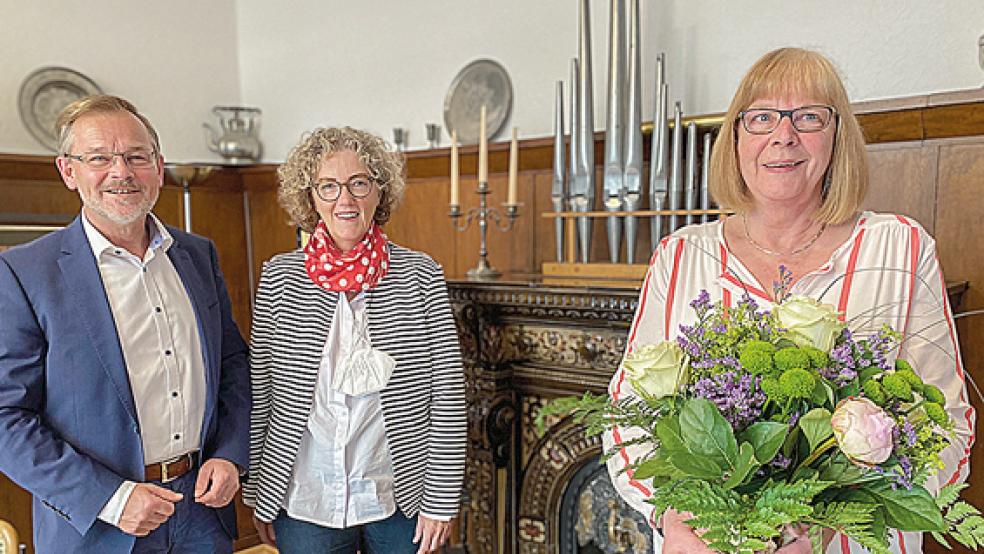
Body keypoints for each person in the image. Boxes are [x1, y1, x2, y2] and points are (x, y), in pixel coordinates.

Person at [604, 48, 975, 554]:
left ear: (837, 136)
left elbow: (948, 425)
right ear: (736, 137)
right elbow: (626, 416)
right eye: (761, 117)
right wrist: (669, 516)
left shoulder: (899, 248)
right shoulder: (680, 254)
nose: (783, 135)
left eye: (808, 117)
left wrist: (833, 521)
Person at [0, 95, 250, 553]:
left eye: (136, 156)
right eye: (99, 158)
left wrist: (231, 454)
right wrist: (110, 500)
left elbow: (232, 365)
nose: (121, 172)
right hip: (99, 526)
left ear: (159, 167)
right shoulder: (23, 273)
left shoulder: (198, 255)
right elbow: (6, 418)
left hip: (202, 511)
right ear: (68, 171)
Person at [244, 126, 467, 554]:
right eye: (328, 186)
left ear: (379, 193)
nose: (344, 199)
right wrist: (259, 490)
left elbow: (448, 395)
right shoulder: (279, 277)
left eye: (359, 183)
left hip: (400, 495)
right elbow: (263, 391)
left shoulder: (420, 275)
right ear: (311, 198)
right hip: (305, 495)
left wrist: (441, 501)